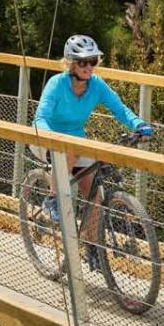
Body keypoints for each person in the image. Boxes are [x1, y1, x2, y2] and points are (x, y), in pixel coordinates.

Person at [31, 34, 153, 265]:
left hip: (77, 142)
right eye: (83, 62)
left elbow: (120, 109)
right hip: (44, 138)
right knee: (67, 153)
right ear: (70, 63)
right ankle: (52, 199)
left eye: (93, 61)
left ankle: (92, 245)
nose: (89, 67)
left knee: (94, 194)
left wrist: (138, 124)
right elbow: (41, 118)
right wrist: (54, 138)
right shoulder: (56, 84)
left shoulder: (96, 85)